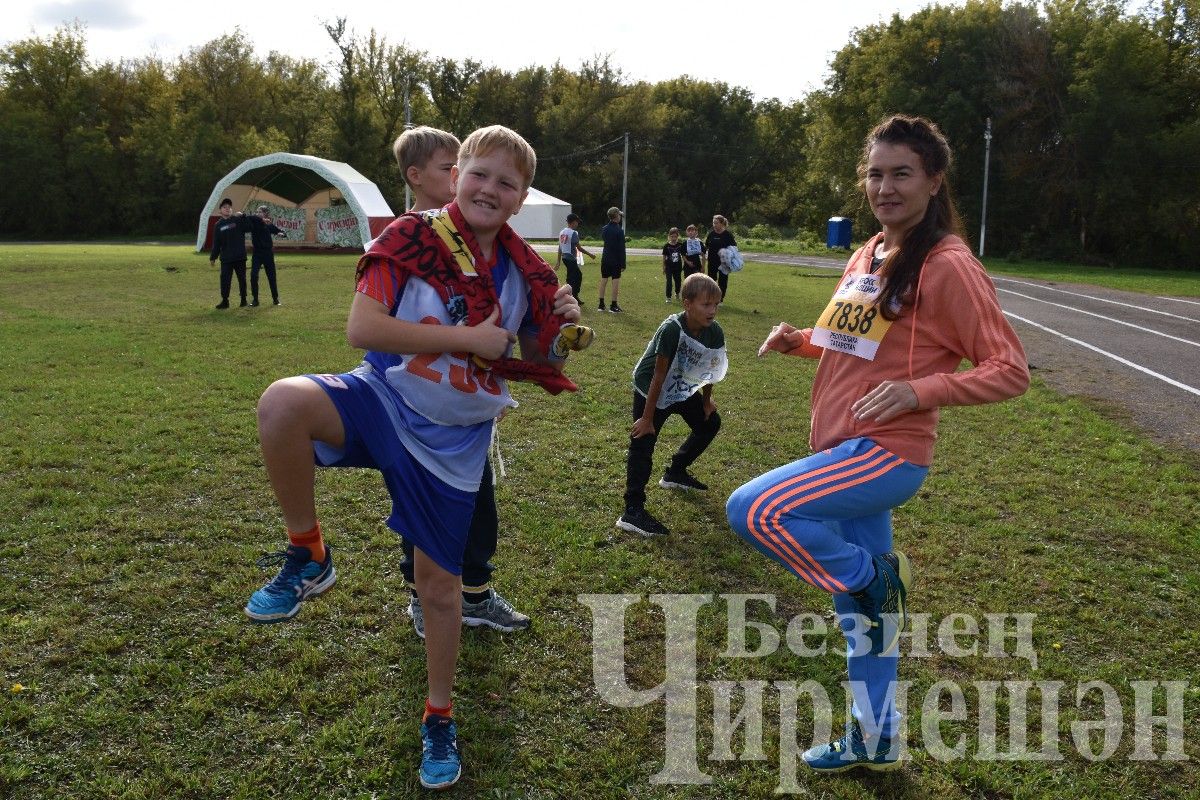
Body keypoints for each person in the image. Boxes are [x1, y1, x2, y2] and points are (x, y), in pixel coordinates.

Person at [242, 125, 589, 789]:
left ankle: (438, 714)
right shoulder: (413, 235)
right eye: (479, 174)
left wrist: (560, 324)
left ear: (521, 201)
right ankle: (308, 552)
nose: (490, 188)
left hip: (454, 446)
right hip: (383, 400)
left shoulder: (526, 271)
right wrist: (471, 338)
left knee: (438, 590)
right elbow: (361, 328)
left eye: (506, 183)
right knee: (282, 404)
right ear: (455, 174)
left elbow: (542, 360)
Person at [725, 114, 1029, 773]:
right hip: (844, 447)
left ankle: (876, 579)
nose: (885, 186)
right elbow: (855, 344)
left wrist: (921, 392)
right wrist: (801, 340)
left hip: (886, 455)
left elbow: (1010, 370)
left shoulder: (948, 264)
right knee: (864, 621)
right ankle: (877, 738)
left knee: (754, 509)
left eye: (901, 173)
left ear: (933, 180)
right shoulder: (869, 252)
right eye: (875, 173)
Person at [390, 124, 534, 640]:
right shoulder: (408, 240)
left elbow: (513, 332)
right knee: (421, 507)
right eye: (460, 170)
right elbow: (375, 332)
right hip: (415, 407)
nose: (475, 185)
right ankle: (421, 598)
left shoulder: (496, 253)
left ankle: (475, 593)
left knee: (479, 502)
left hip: (466, 408)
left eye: (505, 183)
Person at [617, 273, 726, 537]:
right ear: (687, 303)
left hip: (681, 385)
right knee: (643, 440)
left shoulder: (715, 331)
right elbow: (658, 374)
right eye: (705, 305)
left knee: (709, 423)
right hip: (652, 386)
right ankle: (632, 510)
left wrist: (707, 400)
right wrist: (647, 417)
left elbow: (709, 368)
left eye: (716, 304)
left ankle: (676, 472)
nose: (712, 311)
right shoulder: (672, 329)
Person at [208, 198, 251, 308]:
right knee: (225, 280)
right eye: (224, 207)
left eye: (229, 207)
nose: (227, 209)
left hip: (239, 257)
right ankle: (225, 301)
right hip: (226, 258)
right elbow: (216, 243)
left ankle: (243, 300)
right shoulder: (218, 225)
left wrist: (243, 216)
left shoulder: (237, 220)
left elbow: (249, 227)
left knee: (242, 279)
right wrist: (213, 257)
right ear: (220, 211)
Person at [249, 205, 284, 306]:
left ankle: (275, 299)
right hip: (257, 254)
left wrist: (280, 233)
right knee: (253, 276)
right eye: (257, 211)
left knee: (271, 277)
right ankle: (255, 300)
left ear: (265, 214)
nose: (258, 213)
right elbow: (248, 217)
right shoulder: (253, 223)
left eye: (260, 212)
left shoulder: (269, 225)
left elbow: (281, 232)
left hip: (268, 254)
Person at [556, 212, 595, 301]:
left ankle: (571, 295)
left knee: (572, 276)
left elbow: (560, 247)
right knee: (576, 277)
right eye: (577, 222)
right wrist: (590, 255)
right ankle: (572, 296)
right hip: (570, 258)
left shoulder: (562, 232)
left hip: (565, 258)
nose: (578, 224)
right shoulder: (573, 233)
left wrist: (558, 261)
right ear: (573, 222)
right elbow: (579, 248)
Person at [702, 214, 737, 302]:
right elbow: (706, 246)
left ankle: (720, 299)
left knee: (723, 281)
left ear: (722, 224)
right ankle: (711, 297)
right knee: (711, 281)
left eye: (716, 223)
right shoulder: (711, 234)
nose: (714, 225)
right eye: (713, 223)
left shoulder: (728, 235)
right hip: (712, 261)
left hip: (724, 262)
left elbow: (734, 248)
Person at [598, 206, 626, 312]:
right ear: (616, 216)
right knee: (615, 281)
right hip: (616, 260)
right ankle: (613, 305)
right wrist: (623, 264)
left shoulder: (604, 229)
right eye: (619, 215)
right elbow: (621, 249)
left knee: (604, 279)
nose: (620, 217)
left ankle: (601, 304)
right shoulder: (619, 231)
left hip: (605, 258)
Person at [661, 227, 686, 302]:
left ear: (677, 236)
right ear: (669, 236)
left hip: (678, 267)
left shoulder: (680, 245)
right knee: (669, 282)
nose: (673, 238)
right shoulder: (666, 246)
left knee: (678, 281)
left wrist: (686, 263)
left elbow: (683, 256)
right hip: (669, 267)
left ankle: (677, 293)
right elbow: (664, 257)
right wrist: (664, 267)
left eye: (675, 236)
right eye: (672, 236)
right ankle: (668, 297)